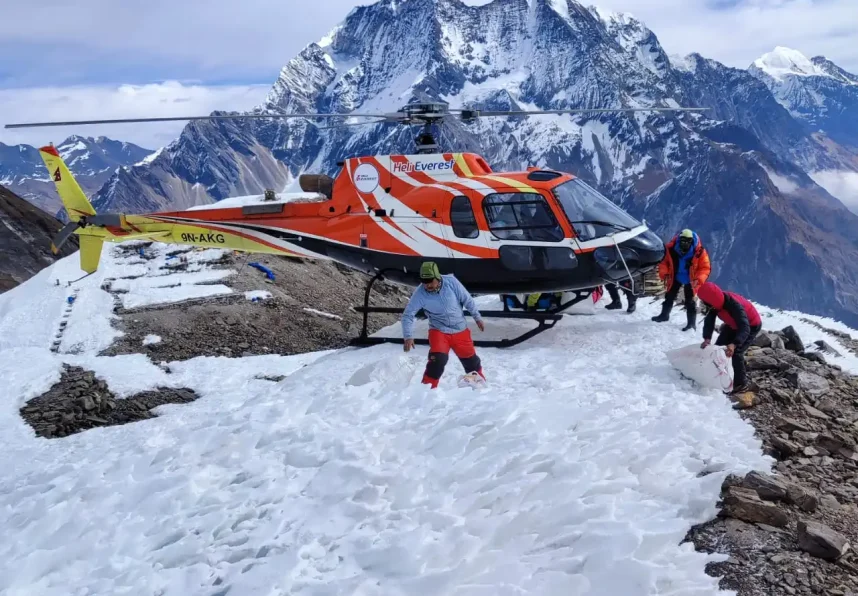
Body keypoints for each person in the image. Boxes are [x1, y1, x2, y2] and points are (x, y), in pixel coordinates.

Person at [402, 261, 486, 388]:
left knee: (471, 362)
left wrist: (477, 317)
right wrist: (408, 336)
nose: (427, 285)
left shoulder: (451, 282)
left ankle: (477, 386)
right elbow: (408, 314)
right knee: (438, 360)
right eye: (424, 282)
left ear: (438, 277)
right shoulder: (420, 293)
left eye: (430, 281)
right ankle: (426, 389)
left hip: (460, 329)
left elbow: (467, 299)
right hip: (439, 330)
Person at [697, 281, 762, 394]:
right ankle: (718, 374)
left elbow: (745, 327)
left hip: (751, 325)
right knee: (718, 348)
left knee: (736, 352)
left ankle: (741, 384)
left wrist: (734, 343)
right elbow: (709, 320)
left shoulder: (734, 305)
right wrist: (707, 338)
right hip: (733, 324)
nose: (703, 303)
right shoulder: (714, 303)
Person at [652, 228, 711, 331]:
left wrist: (699, 279)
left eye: (687, 241)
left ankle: (691, 324)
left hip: (691, 279)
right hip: (675, 276)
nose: (685, 243)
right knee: (669, 296)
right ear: (679, 240)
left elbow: (705, 268)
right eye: (683, 241)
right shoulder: (671, 249)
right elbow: (664, 262)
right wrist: (664, 273)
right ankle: (664, 315)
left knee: (690, 301)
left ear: (691, 241)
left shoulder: (699, 252)